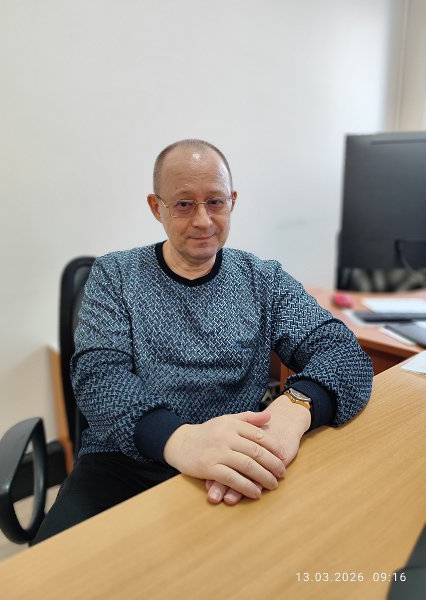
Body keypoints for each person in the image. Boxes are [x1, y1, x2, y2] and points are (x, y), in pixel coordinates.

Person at [33, 139, 373, 544]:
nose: (203, 220)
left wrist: (295, 409)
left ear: (232, 201)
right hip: (124, 462)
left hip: (234, 459)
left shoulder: (262, 280)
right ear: (156, 207)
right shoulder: (115, 275)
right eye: (183, 204)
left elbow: (342, 352)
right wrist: (180, 440)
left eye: (215, 202)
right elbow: (99, 378)